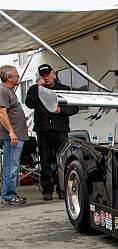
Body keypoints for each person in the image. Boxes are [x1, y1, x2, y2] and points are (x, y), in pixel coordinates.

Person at [25, 64, 78, 201]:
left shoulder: (64, 89)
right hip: (43, 129)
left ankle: (62, 189)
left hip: (60, 128)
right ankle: (47, 190)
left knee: (62, 160)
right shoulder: (35, 89)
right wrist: (38, 88)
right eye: (43, 76)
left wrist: (62, 110)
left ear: (53, 74)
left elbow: (75, 108)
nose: (46, 78)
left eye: (47, 75)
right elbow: (30, 103)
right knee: (45, 161)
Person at [0, 65, 28, 205]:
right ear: (9, 78)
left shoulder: (9, 90)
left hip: (18, 134)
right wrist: (11, 132)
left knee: (13, 166)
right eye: (16, 75)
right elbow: (2, 113)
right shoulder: (3, 90)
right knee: (11, 166)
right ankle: (8, 195)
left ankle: (10, 194)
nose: (19, 77)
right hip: (12, 136)